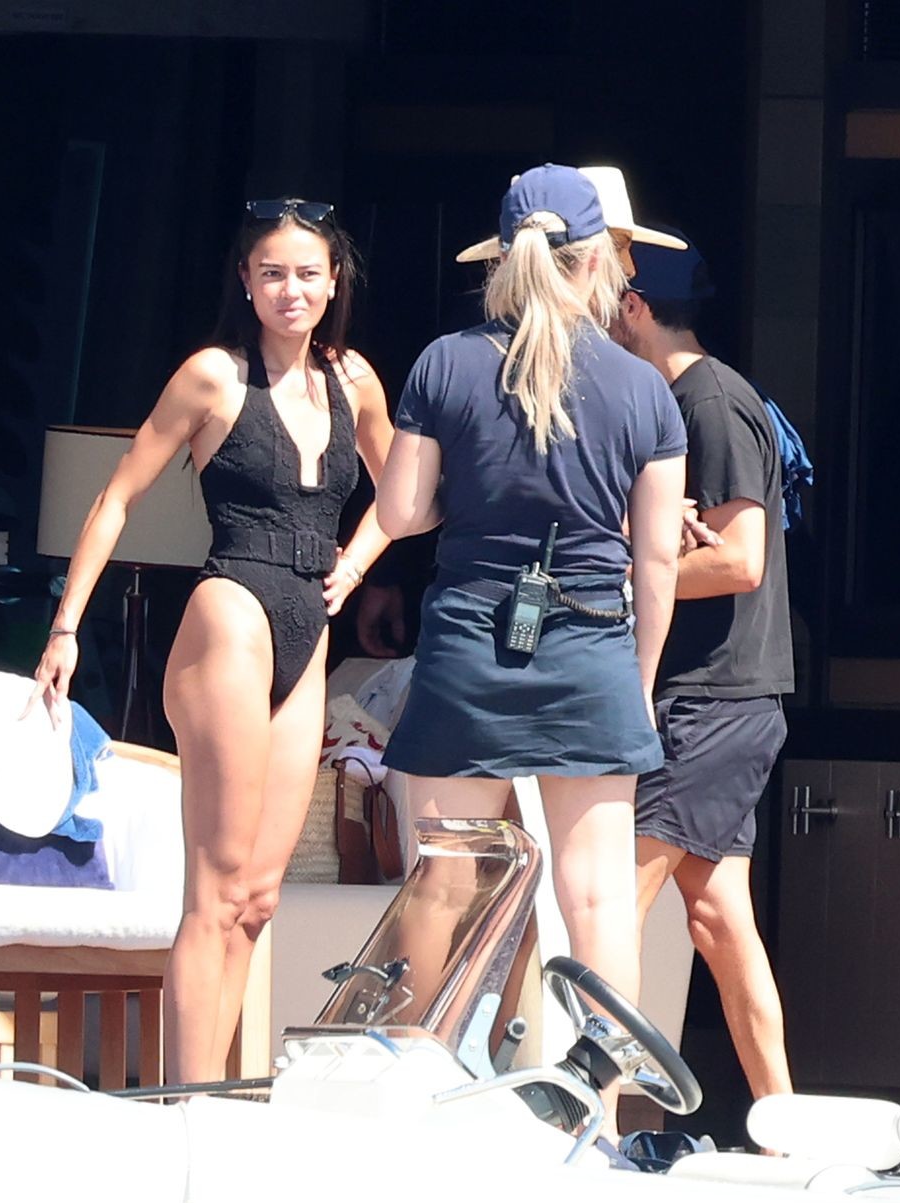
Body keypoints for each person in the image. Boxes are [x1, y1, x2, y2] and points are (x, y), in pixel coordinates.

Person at [33, 197, 395, 1083]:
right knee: (218, 885)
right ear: (245, 280)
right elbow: (117, 495)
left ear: (334, 282)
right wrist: (66, 626)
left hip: (309, 625)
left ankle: (213, 1095)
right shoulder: (213, 376)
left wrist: (356, 562)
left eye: (306, 273)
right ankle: (186, 1106)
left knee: (260, 898)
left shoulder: (354, 380)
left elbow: (409, 492)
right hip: (231, 605)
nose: (289, 290)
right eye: (271, 273)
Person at [375, 164, 687, 1019]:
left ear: (503, 259)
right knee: (598, 899)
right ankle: (604, 1089)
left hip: (469, 646)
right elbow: (658, 559)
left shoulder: (445, 364)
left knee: (442, 886)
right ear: (597, 261)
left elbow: (399, 513)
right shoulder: (644, 387)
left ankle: (419, 1074)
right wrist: (640, 681)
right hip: (591, 651)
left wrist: (469, 492)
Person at [608, 233, 795, 1101]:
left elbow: (741, 559)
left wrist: (622, 571)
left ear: (636, 308)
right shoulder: (694, 398)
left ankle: (587, 1113)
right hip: (725, 698)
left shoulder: (709, 403)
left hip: (710, 700)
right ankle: (784, 1123)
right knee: (720, 921)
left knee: (611, 908)